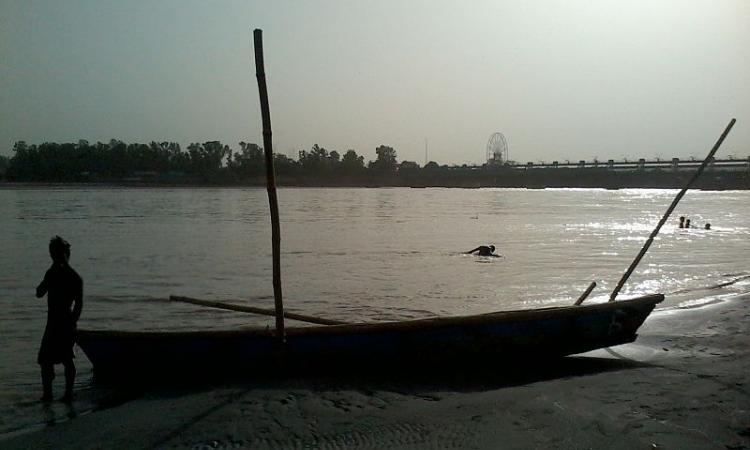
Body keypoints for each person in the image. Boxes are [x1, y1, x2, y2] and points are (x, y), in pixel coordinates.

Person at [36, 236, 83, 403]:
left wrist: (72, 322)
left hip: (61, 321)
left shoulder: (61, 275)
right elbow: (40, 292)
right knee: (53, 360)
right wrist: (73, 322)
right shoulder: (71, 276)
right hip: (61, 321)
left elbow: (39, 292)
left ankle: (60, 394)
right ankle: (58, 393)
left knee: (58, 360)